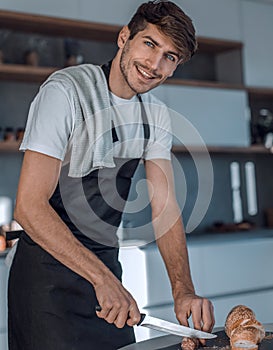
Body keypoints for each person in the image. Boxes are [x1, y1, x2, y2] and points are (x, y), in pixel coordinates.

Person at [8, 1, 215, 349]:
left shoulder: (156, 116)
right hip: (46, 281)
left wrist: (183, 291)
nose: (154, 64)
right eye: (149, 44)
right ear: (125, 38)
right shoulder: (66, 92)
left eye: (170, 56)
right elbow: (29, 207)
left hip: (107, 279)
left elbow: (164, 210)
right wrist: (103, 280)